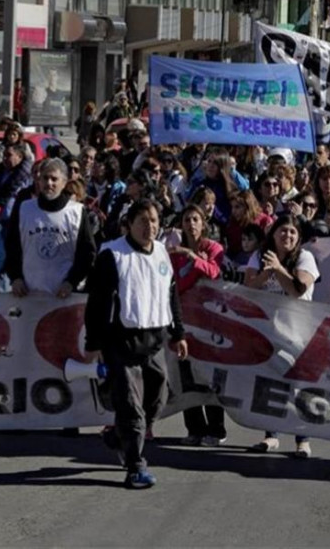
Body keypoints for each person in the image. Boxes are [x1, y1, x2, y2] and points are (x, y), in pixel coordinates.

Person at [84, 199, 187, 490]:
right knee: (131, 408)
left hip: (154, 341)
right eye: (142, 221)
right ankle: (134, 466)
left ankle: (118, 436)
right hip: (121, 343)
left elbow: (171, 295)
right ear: (128, 224)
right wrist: (93, 342)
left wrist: (178, 333)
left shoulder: (161, 254)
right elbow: (98, 303)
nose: (149, 227)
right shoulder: (112, 255)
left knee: (157, 400)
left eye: (154, 221)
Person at [245, 214, 320, 458]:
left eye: (292, 232)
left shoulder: (305, 258)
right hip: (268, 331)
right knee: (268, 384)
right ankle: (271, 435)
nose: (287, 236)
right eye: (283, 231)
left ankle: (303, 440)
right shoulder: (259, 256)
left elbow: (298, 290)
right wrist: (267, 271)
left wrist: (278, 269)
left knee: (299, 386)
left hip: (299, 332)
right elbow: (249, 289)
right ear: (273, 234)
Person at [167, 204, 228, 446]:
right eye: (186, 220)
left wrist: (194, 260)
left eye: (195, 219)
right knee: (186, 376)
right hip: (185, 321)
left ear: (203, 223)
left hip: (210, 321)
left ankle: (216, 430)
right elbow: (177, 286)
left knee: (209, 377)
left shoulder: (214, 248)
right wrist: (192, 265)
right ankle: (195, 428)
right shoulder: (175, 253)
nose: (191, 224)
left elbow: (215, 272)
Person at [5, 158, 95, 297]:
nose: (49, 183)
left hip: (64, 294)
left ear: (64, 182)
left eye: (54, 179)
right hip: (27, 292)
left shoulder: (76, 212)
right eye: (45, 178)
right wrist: (15, 278)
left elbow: (87, 252)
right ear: (38, 180)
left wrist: (71, 282)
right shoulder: (24, 208)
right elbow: (12, 245)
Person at [0, 144, 32, 222]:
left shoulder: (26, 176)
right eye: (4, 155)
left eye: (9, 155)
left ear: (19, 157)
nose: (4, 158)